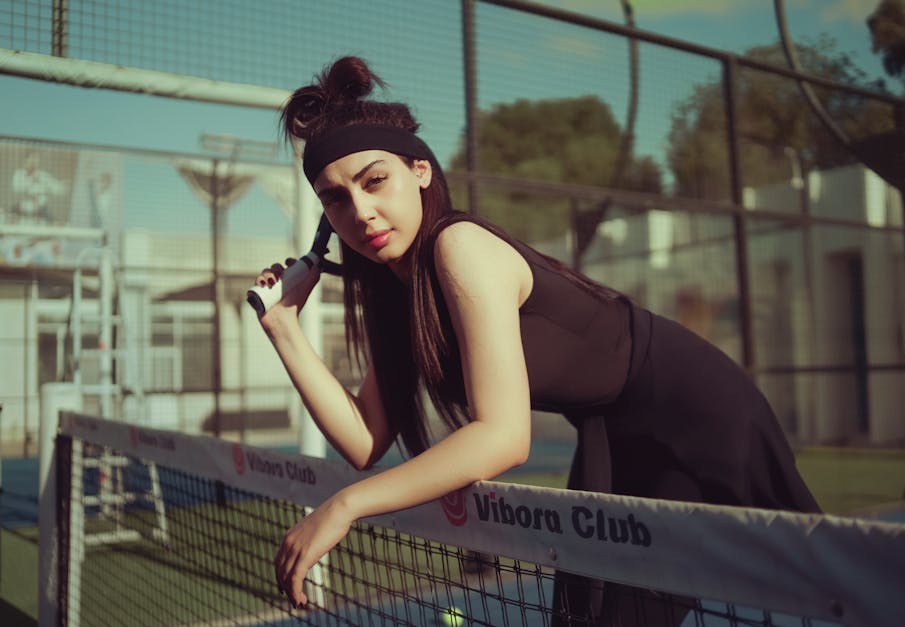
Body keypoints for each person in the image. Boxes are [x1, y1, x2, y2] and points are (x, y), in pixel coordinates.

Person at [256, 56, 820, 626]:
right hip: (613, 431)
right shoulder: (401, 292)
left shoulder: (460, 248)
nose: (361, 211)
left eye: (375, 181)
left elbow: (502, 439)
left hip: (695, 408)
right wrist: (283, 327)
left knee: (832, 584)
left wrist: (347, 504)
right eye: (336, 199)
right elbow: (365, 439)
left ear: (420, 171)